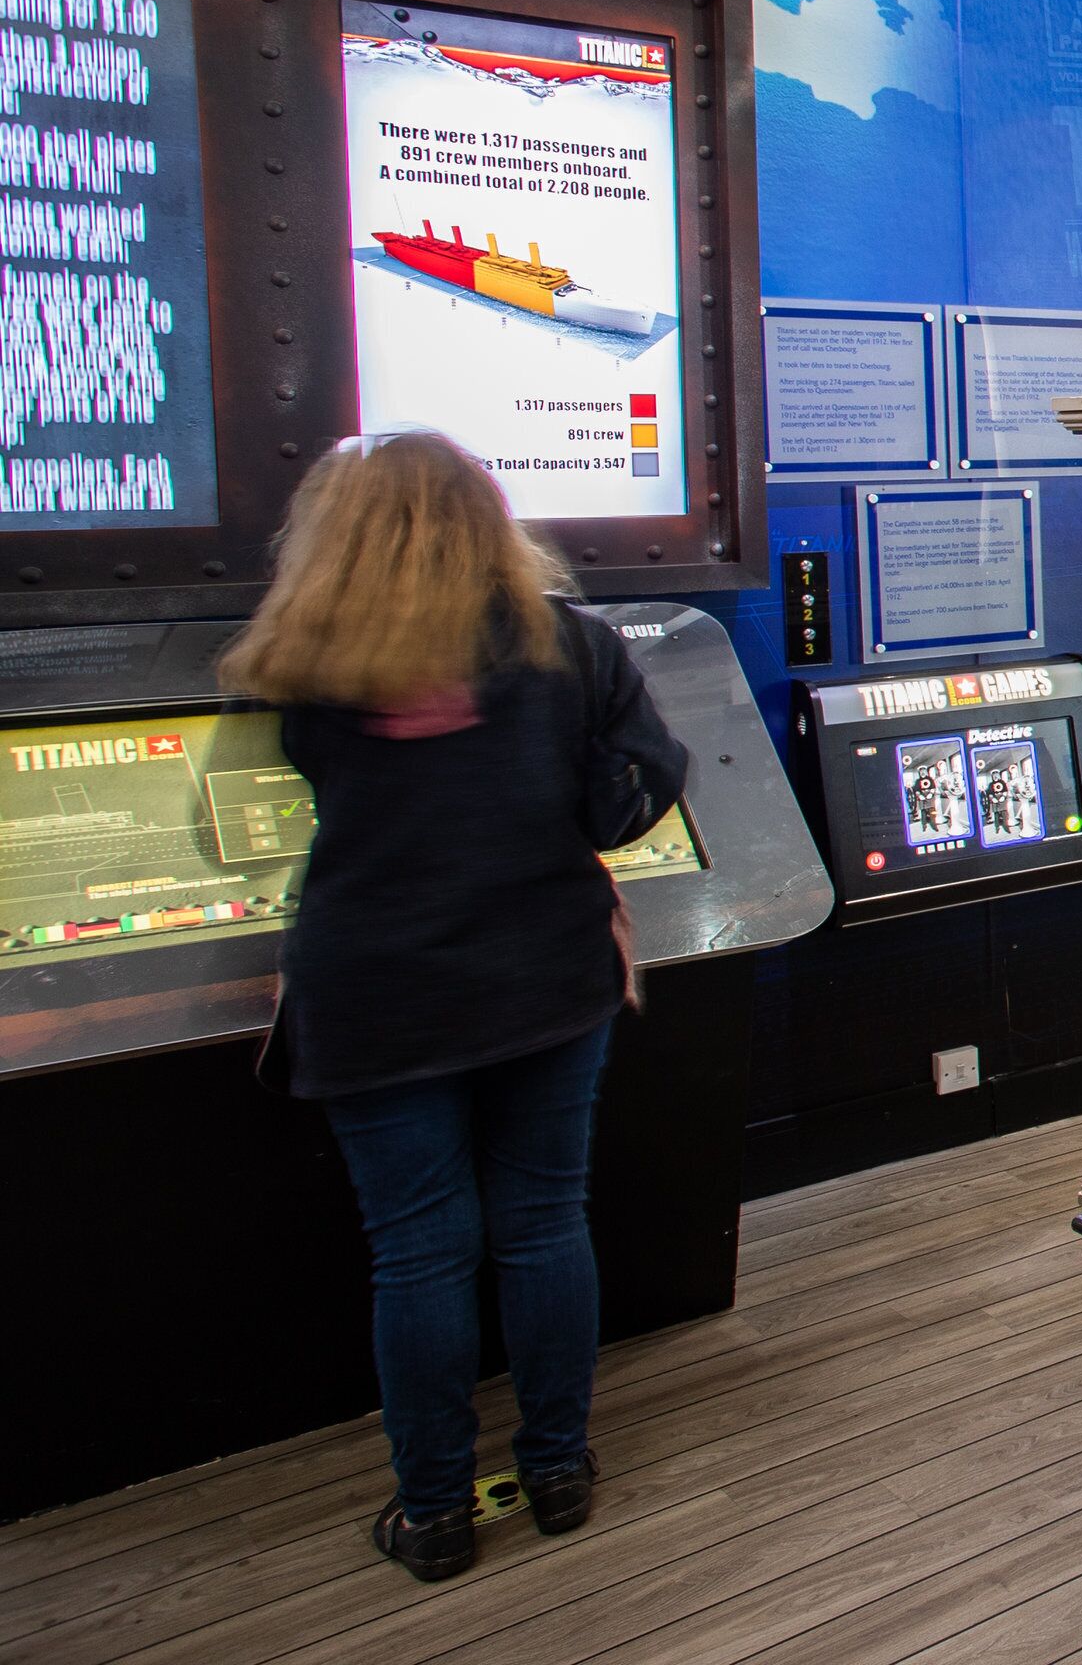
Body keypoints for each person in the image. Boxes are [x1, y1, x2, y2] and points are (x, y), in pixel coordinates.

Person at [223, 434, 690, 1581]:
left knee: (417, 1252)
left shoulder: (303, 656)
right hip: (545, 976)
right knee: (542, 1220)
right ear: (490, 519)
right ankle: (559, 1469)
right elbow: (647, 785)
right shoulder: (568, 646)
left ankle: (433, 1511)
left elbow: (222, 823)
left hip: (375, 993)